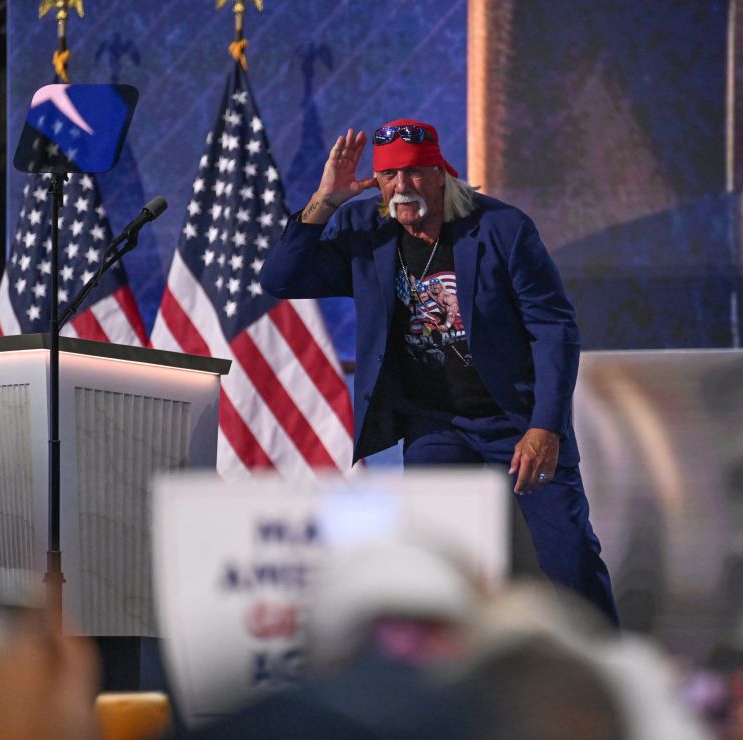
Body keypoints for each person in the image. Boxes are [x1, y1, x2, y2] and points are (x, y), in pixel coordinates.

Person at [260, 119, 618, 624]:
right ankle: (455, 684)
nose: (402, 188)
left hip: (514, 418)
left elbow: (555, 330)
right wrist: (326, 200)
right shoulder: (366, 231)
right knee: (436, 566)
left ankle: (608, 678)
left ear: (441, 174)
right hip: (435, 424)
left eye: (414, 173)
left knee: (569, 559)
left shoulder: (501, 229)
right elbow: (281, 278)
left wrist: (544, 426)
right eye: (388, 177)